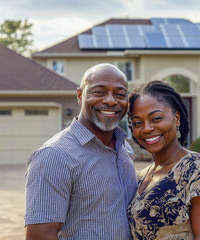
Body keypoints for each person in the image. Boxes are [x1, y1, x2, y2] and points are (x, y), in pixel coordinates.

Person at [25, 63, 138, 240]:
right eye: (99, 92)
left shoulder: (125, 149)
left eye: (120, 94)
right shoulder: (54, 155)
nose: (110, 100)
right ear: (80, 96)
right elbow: (40, 234)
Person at [127, 80, 200, 240]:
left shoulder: (196, 168)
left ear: (176, 118)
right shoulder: (141, 177)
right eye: (137, 123)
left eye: (156, 118)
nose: (146, 128)